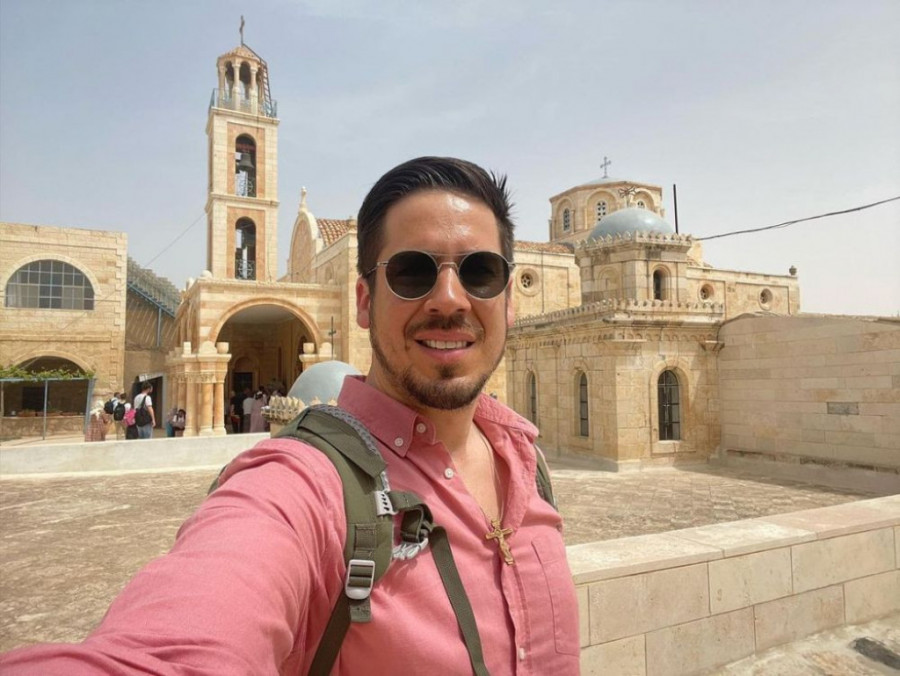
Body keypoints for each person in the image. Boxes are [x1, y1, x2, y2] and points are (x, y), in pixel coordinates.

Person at [0, 157, 579, 674]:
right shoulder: (303, 488)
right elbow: (183, 636)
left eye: (480, 272)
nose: (449, 298)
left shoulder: (525, 460)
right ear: (363, 302)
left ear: (509, 298)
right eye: (411, 272)